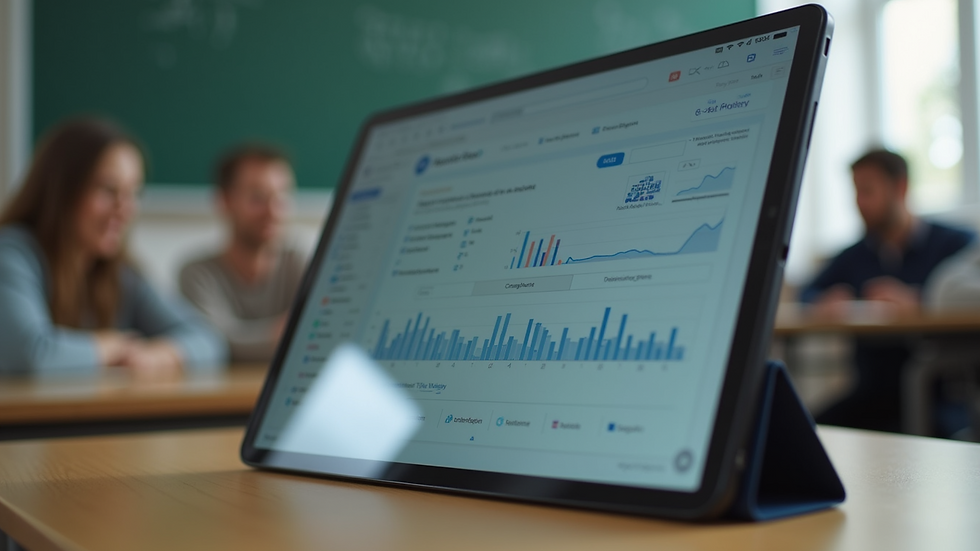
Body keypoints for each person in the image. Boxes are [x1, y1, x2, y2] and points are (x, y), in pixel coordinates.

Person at [0, 118, 227, 377]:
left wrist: (160, 354)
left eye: (133, 193)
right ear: (62, 189)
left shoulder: (120, 273)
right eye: (108, 190)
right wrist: (111, 346)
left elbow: (209, 341)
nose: (125, 209)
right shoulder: (12, 253)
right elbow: (31, 355)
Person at [801, 149, 974, 432]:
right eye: (856, 192)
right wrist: (823, 301)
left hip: (940, 396)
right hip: (872, 394)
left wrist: (921, 300)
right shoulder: (854, 255)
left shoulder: (955, 244)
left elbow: (970, 296)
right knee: (801, 433)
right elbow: (807, 293)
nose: (860, 202)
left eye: (868, 191)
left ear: (901, 188)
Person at [179, 144, 306, 363]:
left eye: (282, 196)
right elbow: (213, 342)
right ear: (225, 202)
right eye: (258, 197)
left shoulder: (298, 261)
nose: (273, 211)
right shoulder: (198, 274)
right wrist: (282, 334)